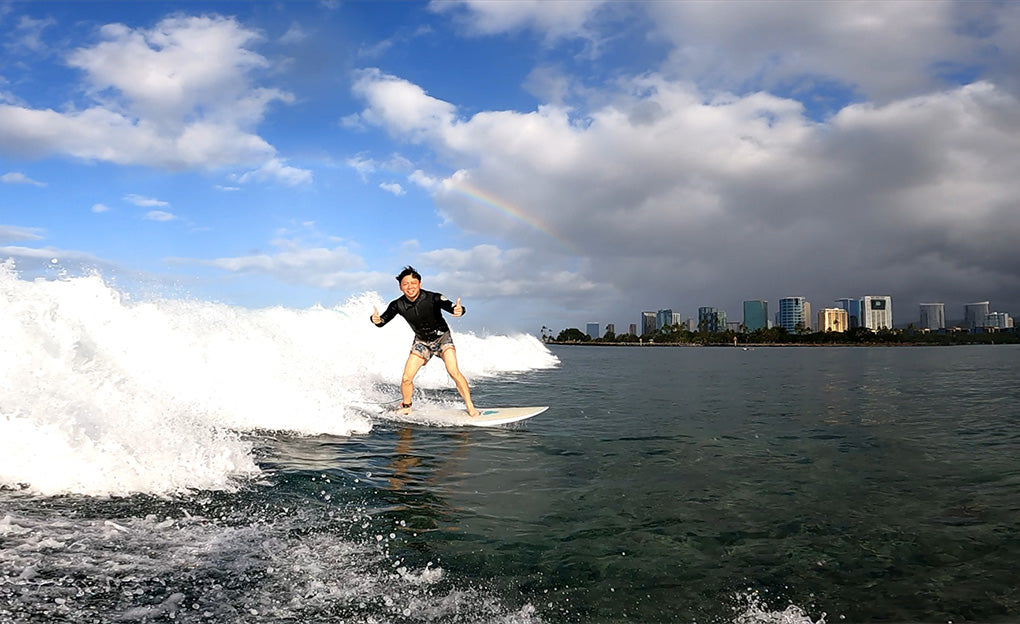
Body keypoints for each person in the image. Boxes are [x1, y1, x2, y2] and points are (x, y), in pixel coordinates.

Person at [371, 266, 479, 417]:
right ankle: (407, 406)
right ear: (400, 287)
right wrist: (375, 319)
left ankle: (470, 406)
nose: (410, 287)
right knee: (406, 377)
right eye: (405, 284)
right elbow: (382, 321)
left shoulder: (433, 297)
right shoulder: (397, 305)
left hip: (442, 339)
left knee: (453, 371)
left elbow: (451, 307)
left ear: (420, 284)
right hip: (421, 342)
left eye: (413, 283)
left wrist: (459, 310)